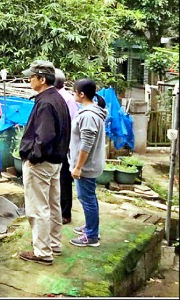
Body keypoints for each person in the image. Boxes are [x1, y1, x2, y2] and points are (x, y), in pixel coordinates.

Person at [18, 60, 71, 266]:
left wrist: (33, 157)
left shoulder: (46, 102)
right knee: (53, 204)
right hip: (55, 161)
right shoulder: (56, 98)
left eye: (32, 76)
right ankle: (54, 244)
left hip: (42, 162)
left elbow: (45, 135)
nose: (29, 79)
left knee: (38, 208)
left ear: (42, 79)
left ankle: (42, 252)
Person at [69, 78, 107, 247]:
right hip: (87, 165)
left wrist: (78, 167)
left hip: (86, 166)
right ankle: (90, 227)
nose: (73, 93)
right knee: (88, 198)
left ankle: (91, 235)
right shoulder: (90, 112)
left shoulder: (89, 115)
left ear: (82, 94)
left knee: (87, 199)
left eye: (74, 91)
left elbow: (86, 143)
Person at [54, 68, 79, 225]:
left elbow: (72, 124)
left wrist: (68, 146)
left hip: (63, 146)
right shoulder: (55, 97)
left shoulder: (66, 99)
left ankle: (65, 213)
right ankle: (57, 211)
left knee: (63, 179)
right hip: (55, 145)